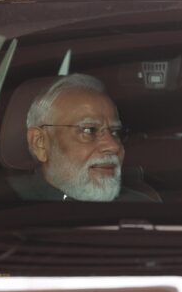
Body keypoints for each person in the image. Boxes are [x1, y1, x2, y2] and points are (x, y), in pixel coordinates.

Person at [19, 74, 154, 202]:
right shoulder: (8, 208)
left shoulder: (142, 209)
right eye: (89, 130)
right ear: (40, 143)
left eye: (114, 132)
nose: (114, 146)